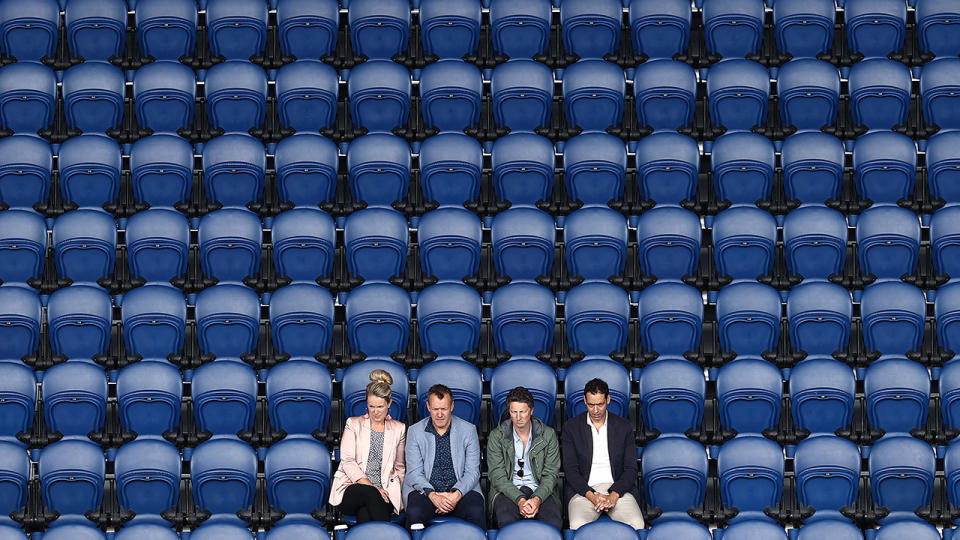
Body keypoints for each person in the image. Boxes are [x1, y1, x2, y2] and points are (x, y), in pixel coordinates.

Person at [561, 378, 644, 530]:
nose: (596, 410)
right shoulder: (571, 428)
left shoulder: (623, 427)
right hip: (584, 491)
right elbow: (571, 470)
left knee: (637, 524)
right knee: (577, 525)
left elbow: (631, 469)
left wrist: (613, 495)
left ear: (608, 400)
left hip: (618, 490)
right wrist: (592, 496)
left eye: (600, 404)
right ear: (584, 401)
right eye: (591, 405)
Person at [402, 384, 485, 528]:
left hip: (461, 492)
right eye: (435, 409)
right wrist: (434, 496)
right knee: (414, 512)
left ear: (452, 406)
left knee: (476, 510)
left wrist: (455, 496)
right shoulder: (414, 431)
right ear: (428, 407)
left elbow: (472, 471)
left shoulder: (468, 430)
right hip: (427, 492)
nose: (440, 414)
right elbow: (414, 472)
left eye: (444, 409)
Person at [329, 369, 407, 523]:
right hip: (354, 487)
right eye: (371, 406)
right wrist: (373, 487)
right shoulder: (353, 424)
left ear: (389, 403)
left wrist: (400, 498)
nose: (376, 412)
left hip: (385, 491)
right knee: (371, 494)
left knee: (366, 514)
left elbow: (399, 467)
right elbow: (348, 462)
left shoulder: (399, 428)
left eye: (380, 407)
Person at [486, 386, 563, 530]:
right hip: (508, 489)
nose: (518, 417)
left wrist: (537, 499)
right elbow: (498, 477)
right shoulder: (497, 436)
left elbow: (551, 474)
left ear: (531, 411)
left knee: (554, 523)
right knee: (507, 523)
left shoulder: (548, 435)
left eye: (523, 412)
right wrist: (520, 500)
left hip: (539, 489)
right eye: (514, 412)